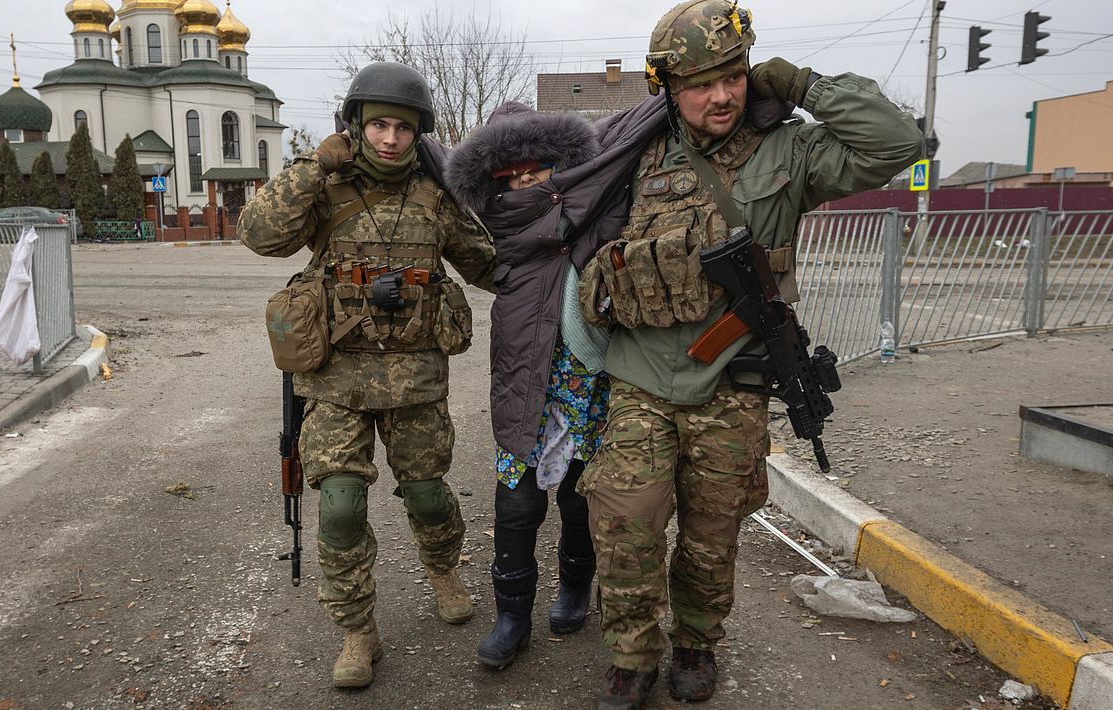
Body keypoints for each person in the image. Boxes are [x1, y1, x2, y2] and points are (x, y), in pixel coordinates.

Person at [576, 2, 925, 707]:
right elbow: (570, 229)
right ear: (669, 88)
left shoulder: (788, 151)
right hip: (641, 377)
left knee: (712, 533)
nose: (722, 96)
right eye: (701, 83)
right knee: (624, 523)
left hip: (731, 380)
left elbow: (896, 143)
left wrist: (802, 84)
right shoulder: (633, 152)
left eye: (733, 76)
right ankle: (632, 655)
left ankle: (696, 643)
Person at [237, 62, 498, 690]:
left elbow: (489, 264)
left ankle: (443, 568)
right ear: (355, 125)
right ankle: (358, 629)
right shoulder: (325, 187)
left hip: (415, 379)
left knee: (428, 495)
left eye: (402, 128)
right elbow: (258, 235)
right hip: (337, 379)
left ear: (418, 133)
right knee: (341, 505)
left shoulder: (436, 194)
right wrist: (312, 165)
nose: (389, 138)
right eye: (378, 125)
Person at [443, 103, 617, 669]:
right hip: (525, 389)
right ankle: (511, 616)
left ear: (558, 165)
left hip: (586, 386)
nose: (525, 182)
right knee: (517, 504)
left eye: (535, 169)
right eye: (511, 176)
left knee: (577, 497)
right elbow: (430, 159)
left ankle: (575, 587)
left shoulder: (592, 218)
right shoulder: (499, 238)